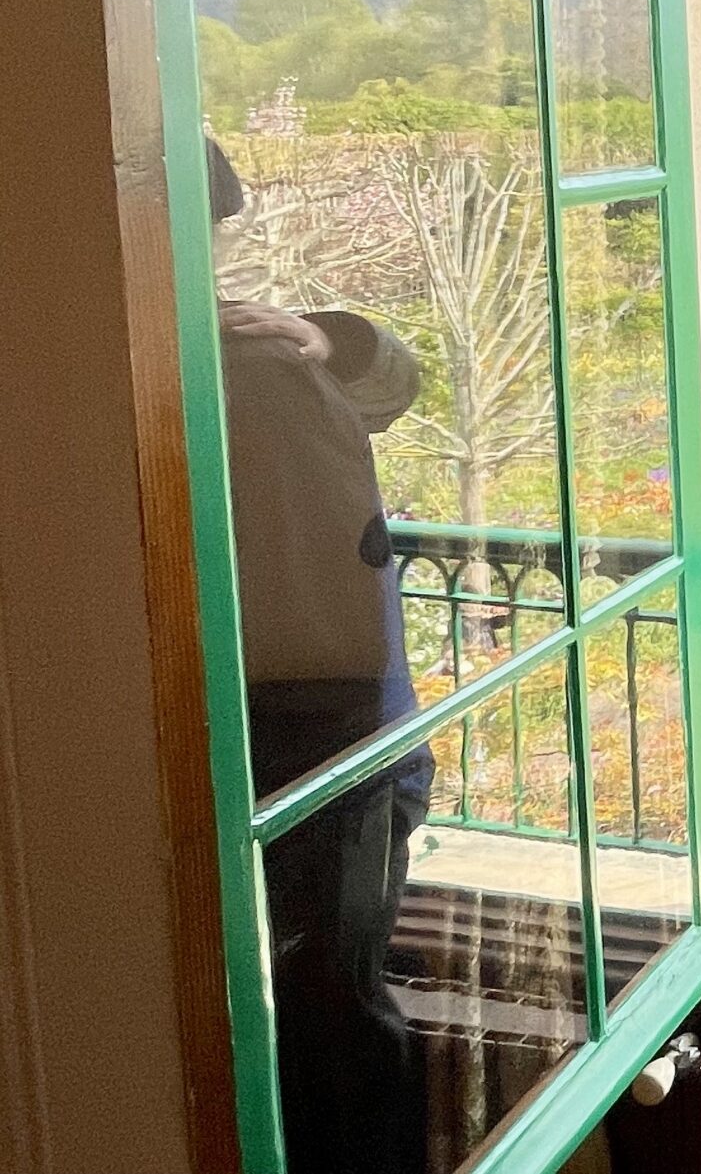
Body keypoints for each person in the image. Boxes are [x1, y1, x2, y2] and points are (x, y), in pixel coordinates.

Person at [210, 137, 433, 1174]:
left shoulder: (245, 350)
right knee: (332, 1018)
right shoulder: (244, 359)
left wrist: (326, 335)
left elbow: (391, 382)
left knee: (320, 1012)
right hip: (325, 733)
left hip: (320, 730)